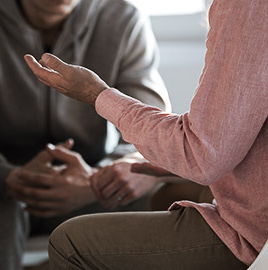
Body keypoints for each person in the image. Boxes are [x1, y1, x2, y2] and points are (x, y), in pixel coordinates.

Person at [0, 0, 175, 268]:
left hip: (91, 181)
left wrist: (99, 178)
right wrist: (6, 177)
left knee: (170, 196)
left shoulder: (123, 17)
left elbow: (153, 126)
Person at [24, 0, 268, 268]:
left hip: (257, 234)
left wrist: (97, 96)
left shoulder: (246, 6)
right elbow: (225, 143)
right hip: (12, 181)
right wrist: (7, 176)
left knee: (69, 243)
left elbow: (202, 153)